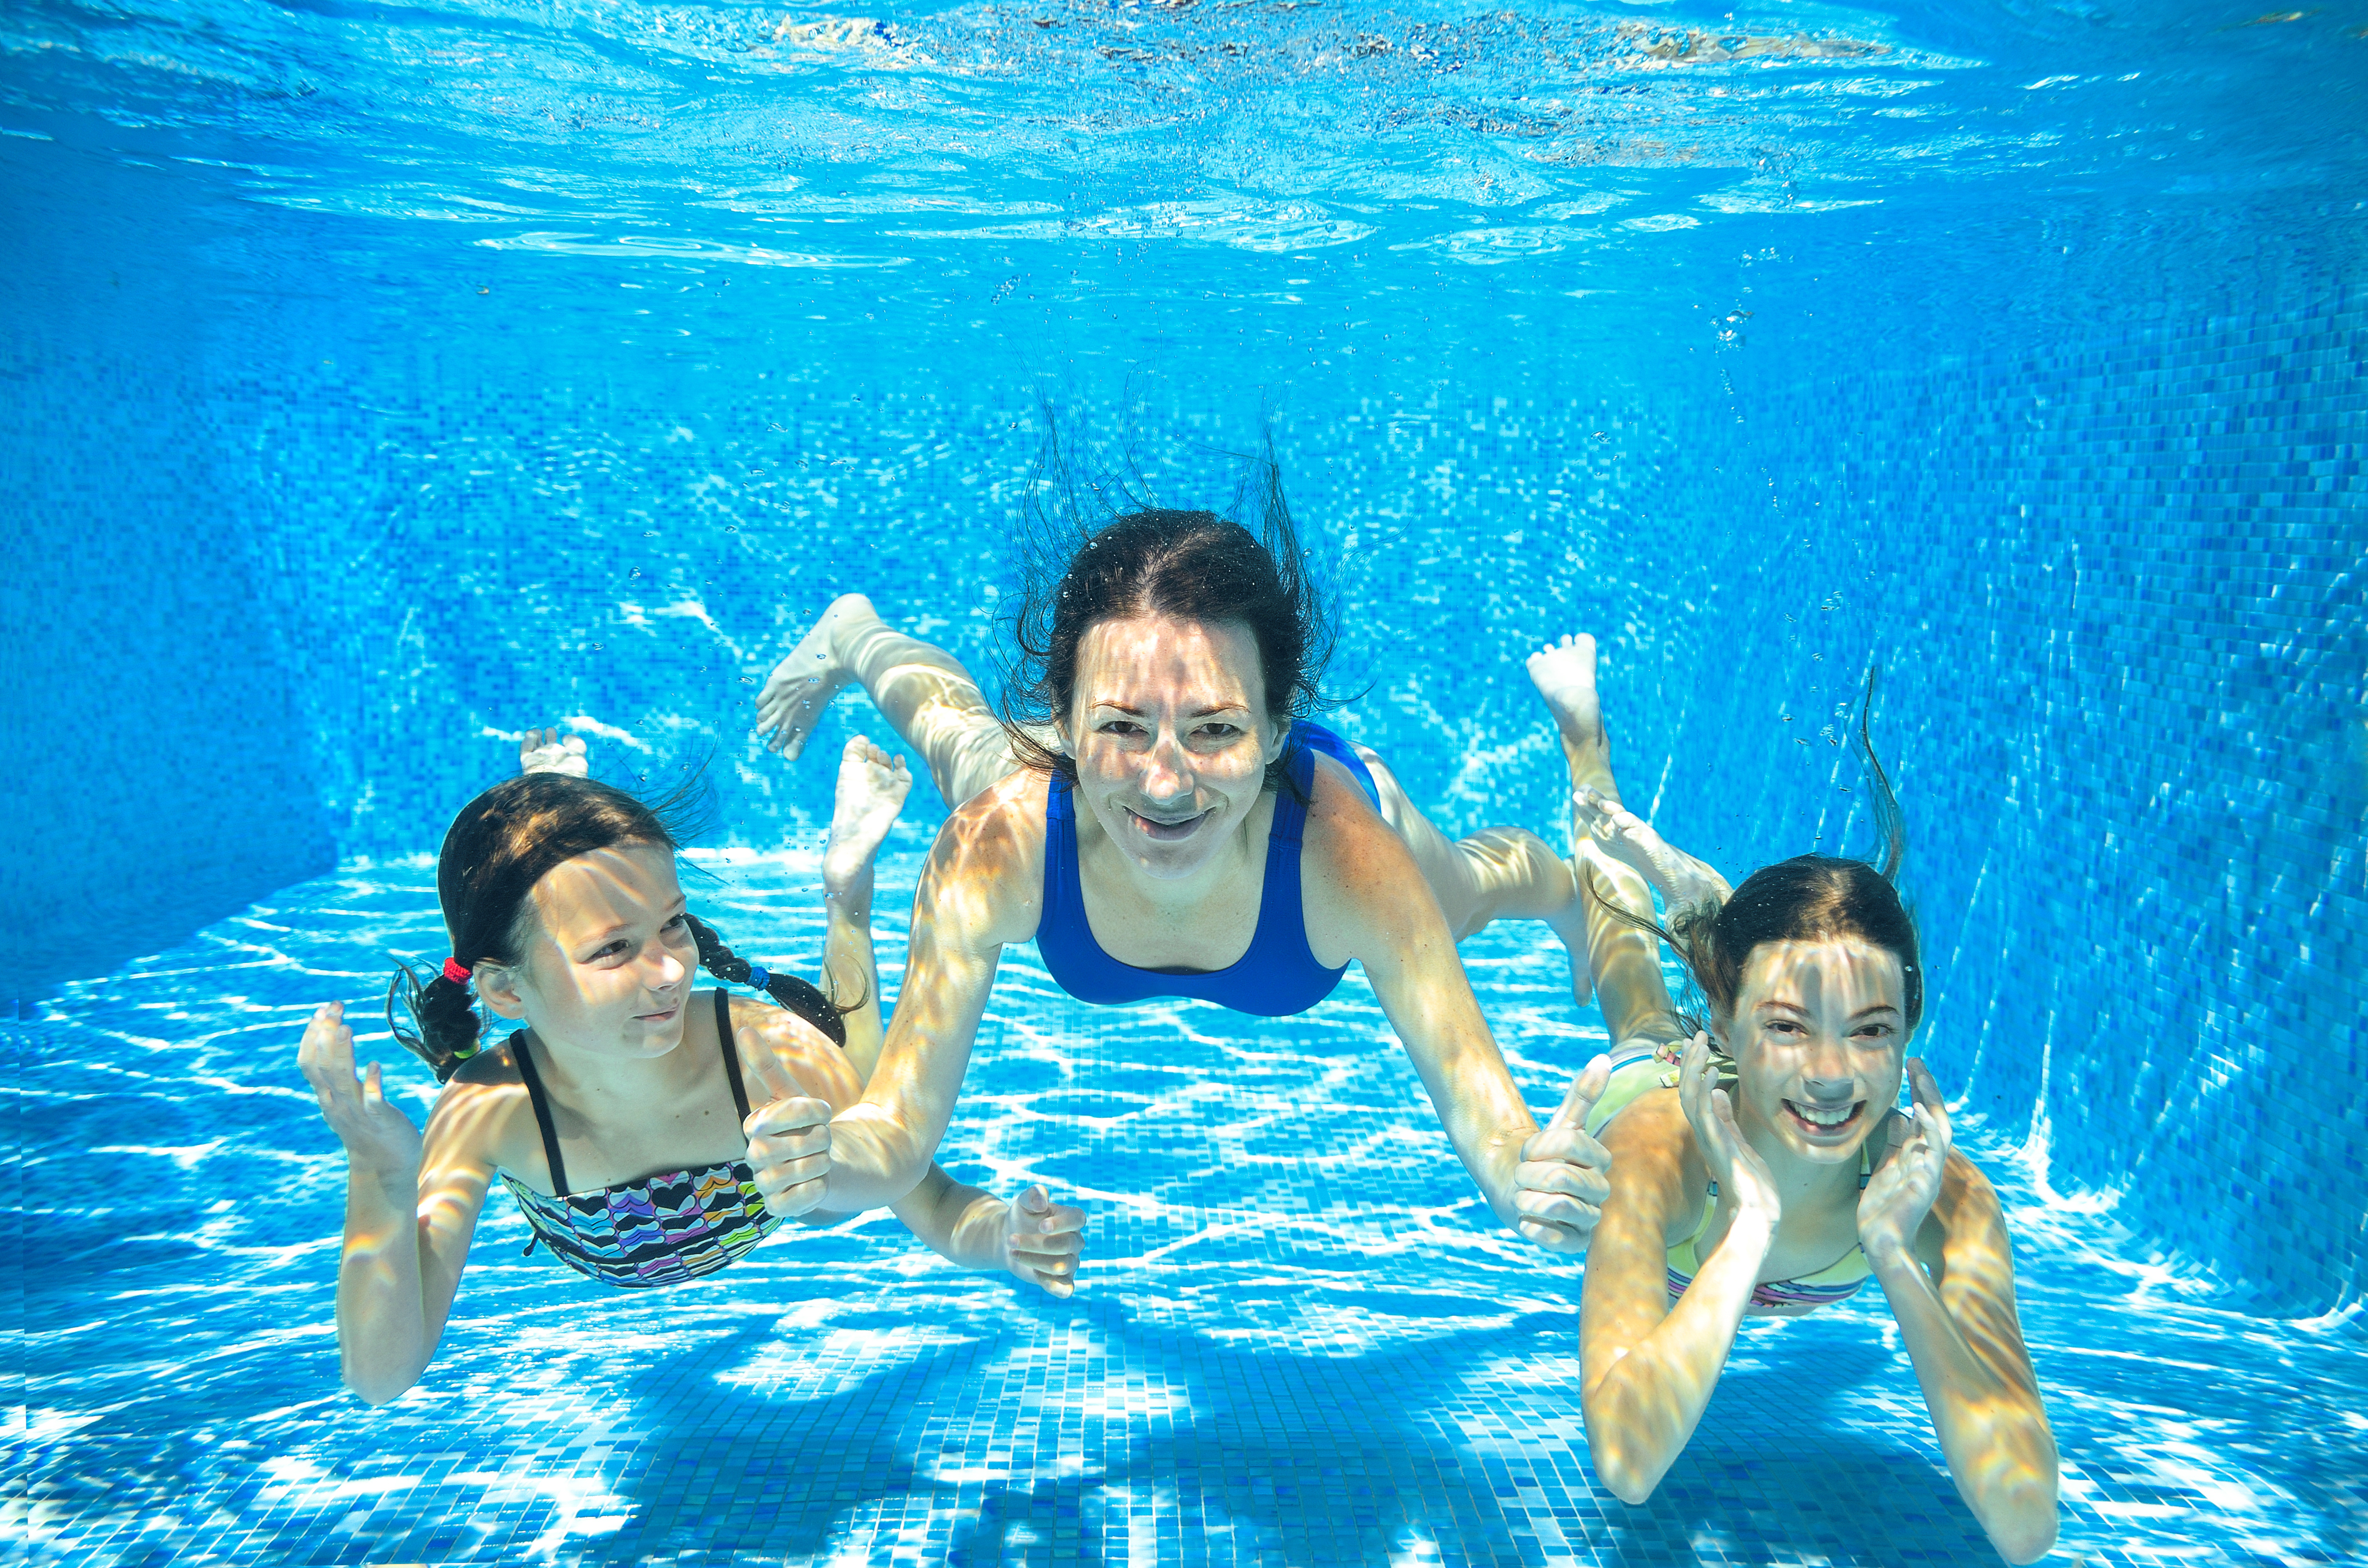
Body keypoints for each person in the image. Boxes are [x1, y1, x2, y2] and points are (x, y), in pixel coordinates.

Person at [746, 490, 1622, 1255]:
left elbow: (1498, 1133)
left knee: (1462, 897)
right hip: (1067, 804)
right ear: (1060, 717)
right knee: (960, 744)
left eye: (1216, 729)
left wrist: (1524, 1180)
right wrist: (828, 1158)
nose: (1165, 786)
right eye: (1121, 725)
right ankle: (854, 632)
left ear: (1279, 731)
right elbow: (895, 1129)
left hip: (1319, 821)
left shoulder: (1345, 859)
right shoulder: (1002, 844)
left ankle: (1563, 886)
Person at [297, 730, 1085, 1406]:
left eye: (673, 925)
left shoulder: (762, 1052)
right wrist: (381, 1177)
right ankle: (551, 797)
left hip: (774, 1146)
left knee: (852, 1134)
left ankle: (846, 893)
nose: (672, 972)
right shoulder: (488, 1108)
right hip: (584, 1181)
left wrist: (1004, 1236)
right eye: (613, 949)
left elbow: (925, 1191)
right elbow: (382, 1377)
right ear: (504, 989)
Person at [1564, 703, 2059, 1563]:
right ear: (1725, 1025)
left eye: (1871, 1030)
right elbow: (1627, 1461)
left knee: (1742, 961)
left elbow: (2025, 1526)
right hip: (1670, 1081)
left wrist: (1896, 1257)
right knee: (1633, 984)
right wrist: (1750, 1219)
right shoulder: (1660, 1156)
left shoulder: (1944, 1194)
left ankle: (1717, 925)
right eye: (1792, 1028)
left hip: (1738, 1029)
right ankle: (1588, 763)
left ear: (1909, 1030)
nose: (1834, 1076)